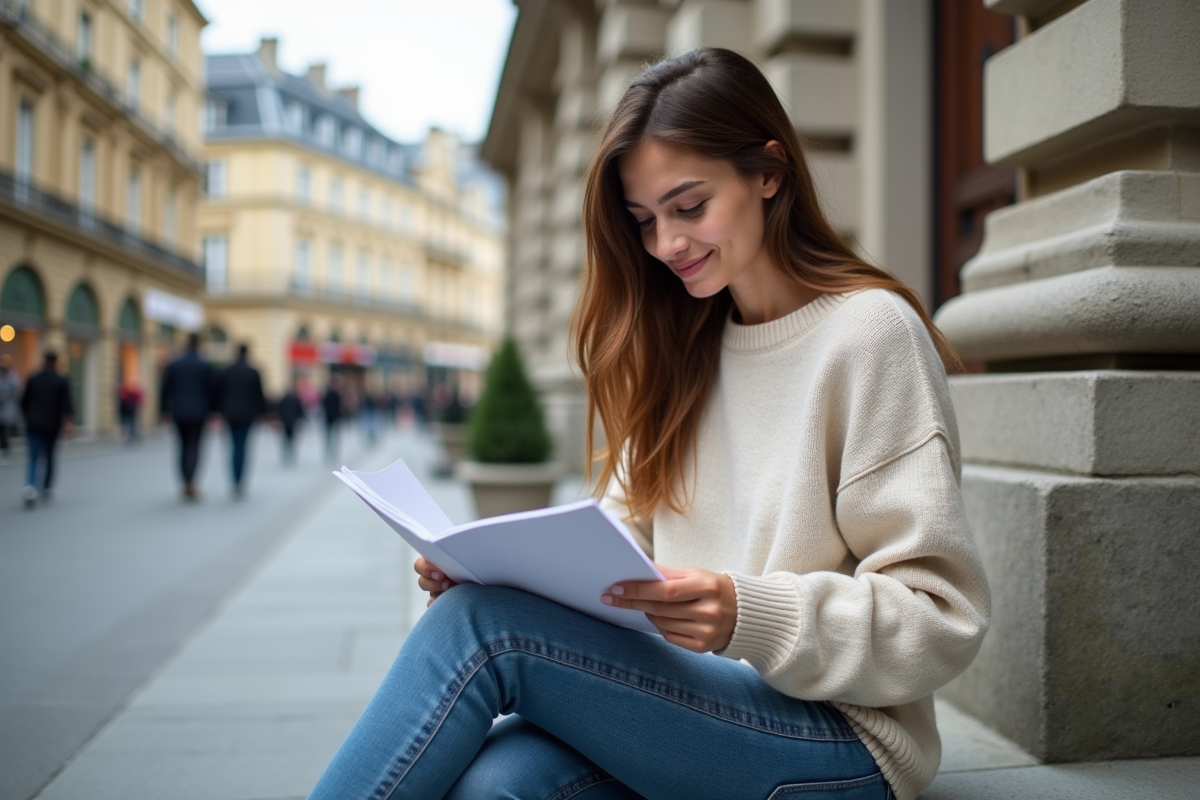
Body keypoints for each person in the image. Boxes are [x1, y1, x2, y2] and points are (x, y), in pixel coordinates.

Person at [307, 49, 989, 800]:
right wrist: (499, 569)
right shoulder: (687, 344)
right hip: (693, 705)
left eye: (689, 207)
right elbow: (626, 548)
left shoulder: (868, 334)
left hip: (840, 742)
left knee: (481, 629)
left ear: (769, 172)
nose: (665, 245)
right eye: (643, 221)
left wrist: (745, 612)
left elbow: (939, 619)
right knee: (493, 785)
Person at [159, 332, 214, 500]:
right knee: (195, 447)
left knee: (182, 447)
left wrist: (162, 411)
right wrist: (213, 411)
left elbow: (165, 389)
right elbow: (212, 391)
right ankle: (191, 481)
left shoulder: (175, 364)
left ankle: (185, 481)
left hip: (179, 411)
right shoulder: (205, 365)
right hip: (199, 412)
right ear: (199, 345)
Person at [19, 351, 74, 507]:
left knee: (33, 457)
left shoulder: (34, 378)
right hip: (52, 425)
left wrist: (28, 416)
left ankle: (30, 486)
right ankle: (47, 488)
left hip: (34, 424)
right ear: (56, 362)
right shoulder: (61, 380)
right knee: (49, 456)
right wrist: (68, 423)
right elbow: (67, 404)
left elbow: (24, 401)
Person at [213, 343, 266, 498]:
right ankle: (239, 481)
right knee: (242, 447)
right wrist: (263, 415)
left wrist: (217, 412)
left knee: (233, 447)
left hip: (229, 415)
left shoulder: (226, 370)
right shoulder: (253, 372)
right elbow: (259, 396)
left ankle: (234, 480)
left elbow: (218, 393)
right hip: (247, 415)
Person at [275, 383, 306, 465]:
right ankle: (291, 451)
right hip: (293, 421)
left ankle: (286, 451)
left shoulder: (283, 399)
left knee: (285, 437)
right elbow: (300, 410)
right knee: (292, 438)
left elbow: (279, 409)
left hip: (285, 421)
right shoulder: (295, 399)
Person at [0, 353, 20, 462]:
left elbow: (16, 392)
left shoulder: (12, 377)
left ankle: (6, 447)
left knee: (5, 428)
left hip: (7, 408)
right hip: (3, 408)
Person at [320, 376, 343, 463]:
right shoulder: (335, 393)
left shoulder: (327, 393)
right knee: (333, 435)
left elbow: (323, 404)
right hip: (333, 417)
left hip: (328, 417)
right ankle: (332, 451)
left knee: (329, 435)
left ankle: (329, 451)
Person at [117, 380, 144, 444]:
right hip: (127, 411)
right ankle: (130, 437)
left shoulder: (132, 394)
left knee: (130, 424)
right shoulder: (129, 394)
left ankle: (131, 437)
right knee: (128, 424)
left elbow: (138, 401)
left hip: (129, 411)